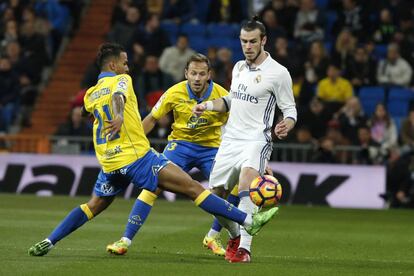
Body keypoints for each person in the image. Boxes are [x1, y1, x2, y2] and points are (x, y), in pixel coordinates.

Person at [28, 43, 277, 257]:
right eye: (125, 63)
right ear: (114, 65)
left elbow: (86, 110)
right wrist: (117, 116)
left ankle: (49, 241)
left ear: (208, 74)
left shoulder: (91, 94)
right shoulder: (122, 80)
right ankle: (248, 221)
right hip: (138, 157)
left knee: (93, 205)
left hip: (110, 163)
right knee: (193, 188)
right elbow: (119, 97)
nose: (128, 67)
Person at [106, 53, 238, 256]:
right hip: (180, 147)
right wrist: (132, 145)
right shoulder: (174, 92)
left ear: (209, 75)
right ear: (186, 73)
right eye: (193, 73)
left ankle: (212, 235)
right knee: (152, 187)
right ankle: (125, 240)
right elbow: (152, 118)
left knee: (228, 188)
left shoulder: (222, 95)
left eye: (201, 74)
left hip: (211, 148)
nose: (197, 78)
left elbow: (237, 124)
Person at [193, 17, 297, 263]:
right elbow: (231, 100)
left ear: (263, 41)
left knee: (246, 186)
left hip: (256, 140)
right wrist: (207, 105)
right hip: (230, 139)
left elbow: (290, 109)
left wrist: (286, 125)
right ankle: (234, 234)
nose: (247, 46)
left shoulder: (278, 73)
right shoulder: (238, 67)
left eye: (252, 41)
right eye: (243, 41)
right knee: (212, 198)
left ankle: (244, 249)